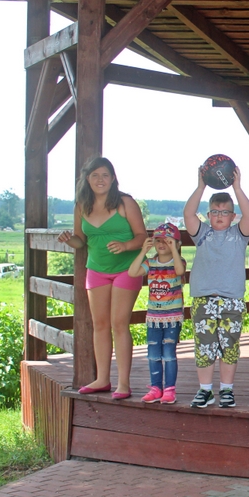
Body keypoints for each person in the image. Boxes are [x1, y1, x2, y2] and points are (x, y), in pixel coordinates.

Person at [58, 157, 147, 399]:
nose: (100, 179)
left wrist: (126, 245)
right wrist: (69, 239)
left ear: (113, 178)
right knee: (99, 325)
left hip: (127, 269)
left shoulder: (125, 203)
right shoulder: (81, 206)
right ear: (87, 179)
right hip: (96, 270)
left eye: (105, 175)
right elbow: (81, 241)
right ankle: (102, 379)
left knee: (119, 324)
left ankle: (123, 384)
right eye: (95, 175)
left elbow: (142, 237)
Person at [182, 166, 249, 409]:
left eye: (225, 212)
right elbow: (188, 213)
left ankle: (226, 390)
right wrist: (201, 186)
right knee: (204, 347)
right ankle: (205, 390)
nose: (220, 216)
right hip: (204, 300)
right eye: (215, 212)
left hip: (231, 301)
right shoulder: (201, 234)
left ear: (233, 216)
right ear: (208, 215)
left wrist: (237, 188)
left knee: (229, 347)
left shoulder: (239, 235)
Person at [127, 223, 186, 404]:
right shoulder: (150, 263)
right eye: (158, 241)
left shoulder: (178, 262)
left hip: (172, 317)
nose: (162, 244)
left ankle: (169, 389)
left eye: (167, 241)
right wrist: (143, 252)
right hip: (154, 318)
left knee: (169, 354)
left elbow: (180, 271)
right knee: (153, 353)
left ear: (177, 244)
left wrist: (174, 250)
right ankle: (155, 388)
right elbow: (132, 272)